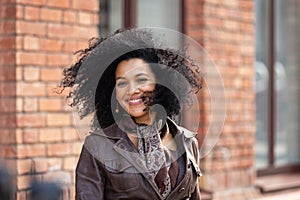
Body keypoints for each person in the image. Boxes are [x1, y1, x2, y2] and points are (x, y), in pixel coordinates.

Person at [59, 28, 203, 200]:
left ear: (161, 84)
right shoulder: (98, 146)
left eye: (141, 80)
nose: (132, 90)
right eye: (122, 83)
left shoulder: (187, 142)